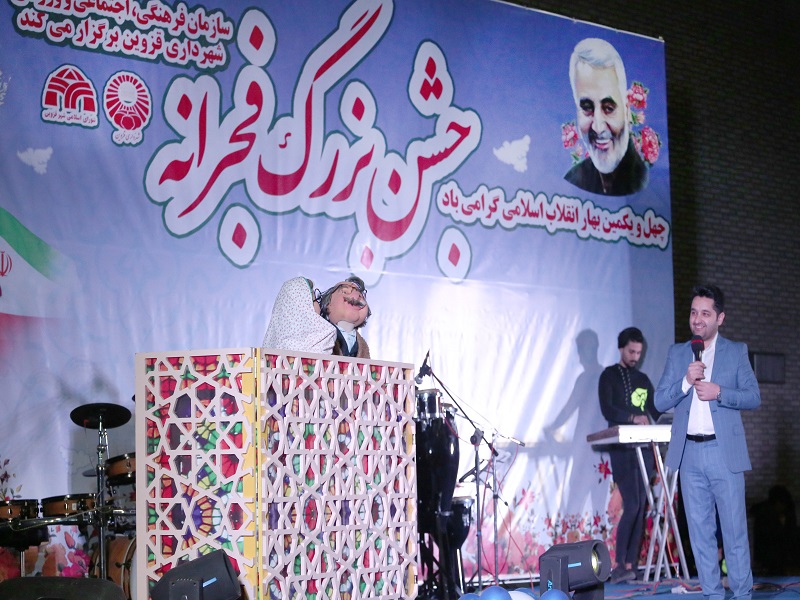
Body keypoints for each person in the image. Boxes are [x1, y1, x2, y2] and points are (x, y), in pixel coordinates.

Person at [655, 285, 760, 600]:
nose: (697, 319)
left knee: (734, 533)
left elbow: (753, 396)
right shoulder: (678, 353)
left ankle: (742, 595)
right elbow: (659, 401)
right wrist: (685, 382)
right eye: (693, 312)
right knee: (700, 536)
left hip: (723, 453)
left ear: (720, 318)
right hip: (689, 455)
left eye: (705, 313)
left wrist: (720, 393)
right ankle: (713, 596)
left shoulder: (736, 351)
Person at [598, 327, 660, 582]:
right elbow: (608, 409)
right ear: (621, 348)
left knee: (642, 505)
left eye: (638, 352)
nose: (635, 357)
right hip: (622, 449)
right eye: (631, 352)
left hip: (644, 449)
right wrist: (632, 417)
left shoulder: (643, 379)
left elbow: (655, 409)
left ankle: (631, 563)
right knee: (632, 504)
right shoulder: (608, 376)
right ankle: (620, 564)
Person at [564, 38, 648, 196]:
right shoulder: (573, 181)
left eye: (609, 108)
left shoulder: (646, 183)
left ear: (627, 111)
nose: (598, 127)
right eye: (587, 108)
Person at [262, 276, 336, 354]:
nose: (319, 305)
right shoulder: (321, 338)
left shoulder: (269, 346)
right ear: (306, 307)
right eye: (316, 300)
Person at [316, 276, 371, 358]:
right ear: (328, 305)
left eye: (361, 296)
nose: (355, 296)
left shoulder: (362, 344)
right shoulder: (321, 334)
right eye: (345, 292)